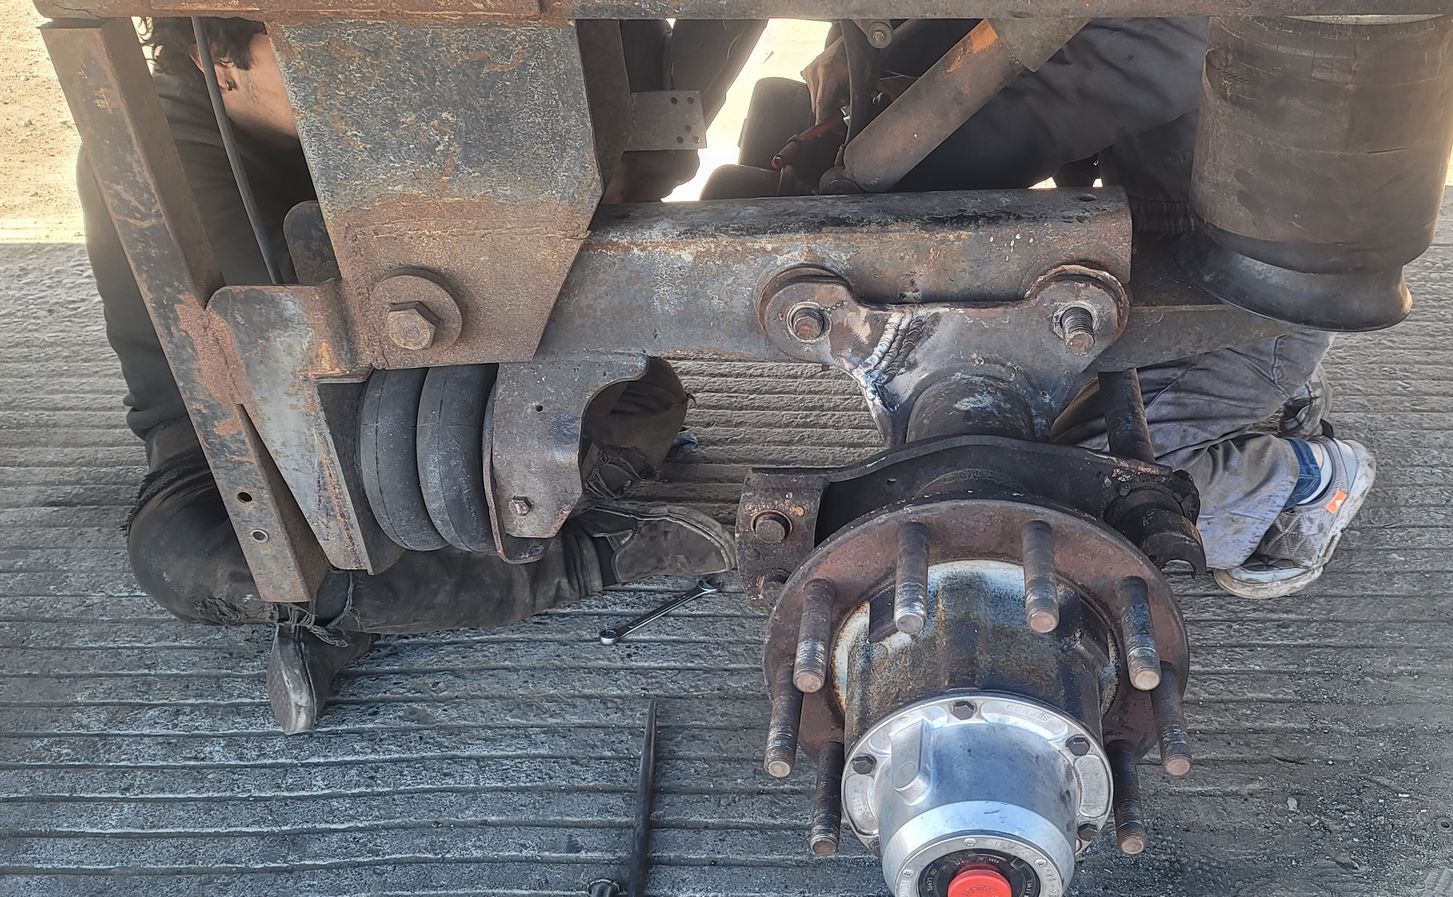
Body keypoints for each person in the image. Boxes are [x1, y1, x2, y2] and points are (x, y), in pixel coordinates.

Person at [77, 18, 741, 734]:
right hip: (227, 438)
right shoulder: (154, 150)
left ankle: (355, 602)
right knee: (176, 551)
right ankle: (596, 555)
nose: (347, 68)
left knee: (646, 393)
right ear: (220, 60)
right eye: (309, 47)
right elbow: (301, 342)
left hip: (414, 403)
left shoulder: (348, 130)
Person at [802, 19, 1380, 598]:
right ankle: (1260, 393)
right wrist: (861, 55)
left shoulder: (1180, 23)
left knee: (1076, 493)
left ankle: (1308, 481)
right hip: (1179, 243)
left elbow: (1092, 79)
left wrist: (869, 188)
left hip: (1247, 282)